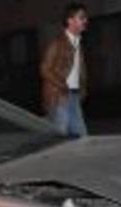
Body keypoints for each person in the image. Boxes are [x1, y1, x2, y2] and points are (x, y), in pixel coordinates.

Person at [40, 3, 89, 137]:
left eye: (85, 17)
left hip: (73, 95)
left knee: (81, 136)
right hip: (59, 97)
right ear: (70, 20)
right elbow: (44, 69)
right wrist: (62, 85)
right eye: (82, 17)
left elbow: (80, 70)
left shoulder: (77, 43)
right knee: (60, 137)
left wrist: (83, 87)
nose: (86, 21)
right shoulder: (56, 43)